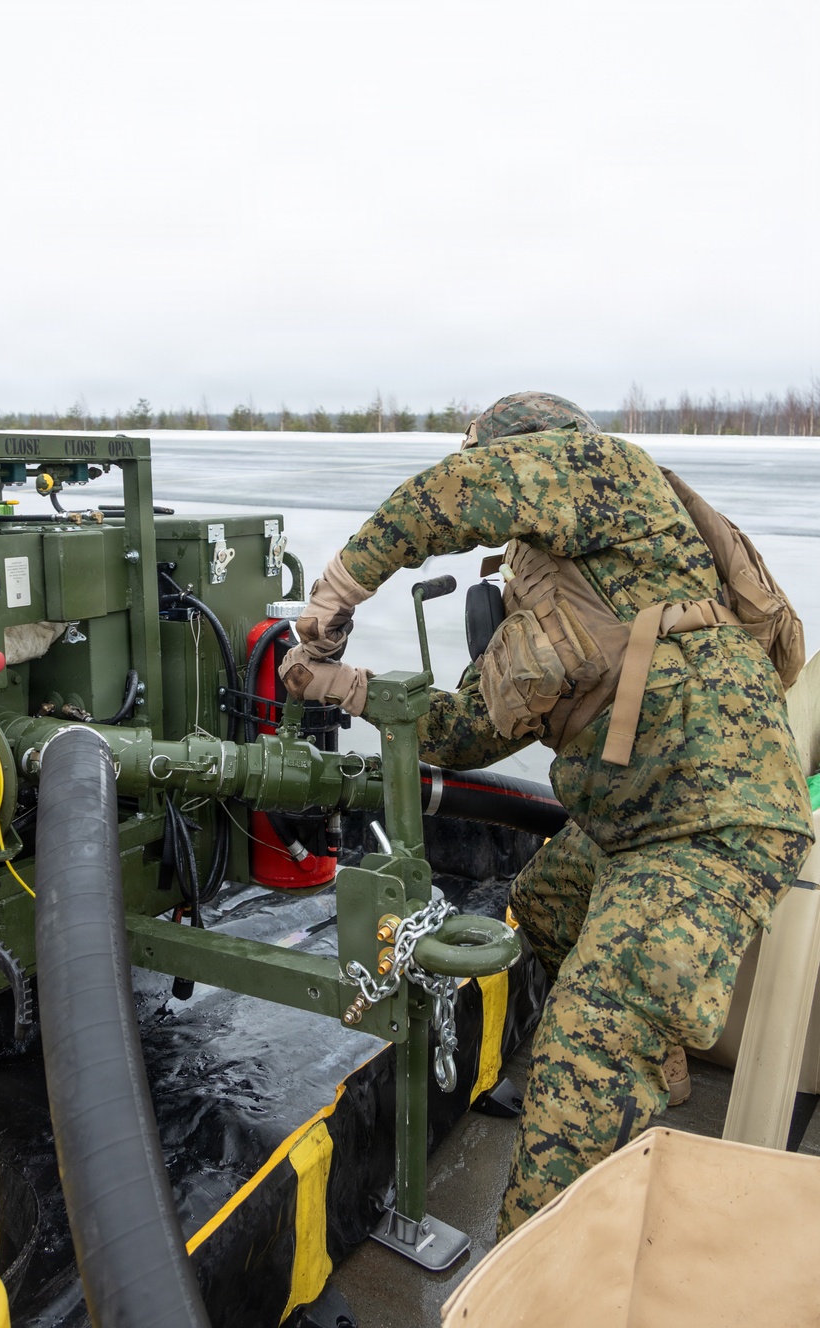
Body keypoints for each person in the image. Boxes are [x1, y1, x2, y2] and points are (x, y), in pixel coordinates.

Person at [279, 391, 814, 1237]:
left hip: (720, 822)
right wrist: (344, 688)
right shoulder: (554, 596)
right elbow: (465, 731)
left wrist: (338, 592)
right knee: (546, 907)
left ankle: (535, 1254)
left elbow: (451, 495)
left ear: (527, 453)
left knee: (584, 1051)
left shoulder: (608, 474)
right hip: (633, 827)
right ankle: (655, 1065)